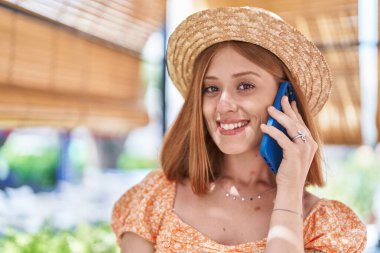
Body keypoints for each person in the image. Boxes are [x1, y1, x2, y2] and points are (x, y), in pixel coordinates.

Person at [112, 7, 367, 253]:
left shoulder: (323, 226)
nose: (223, 104)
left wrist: (289, 191)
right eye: (210, 88)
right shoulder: (155, 197)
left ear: (285, 98)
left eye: (245, 85)